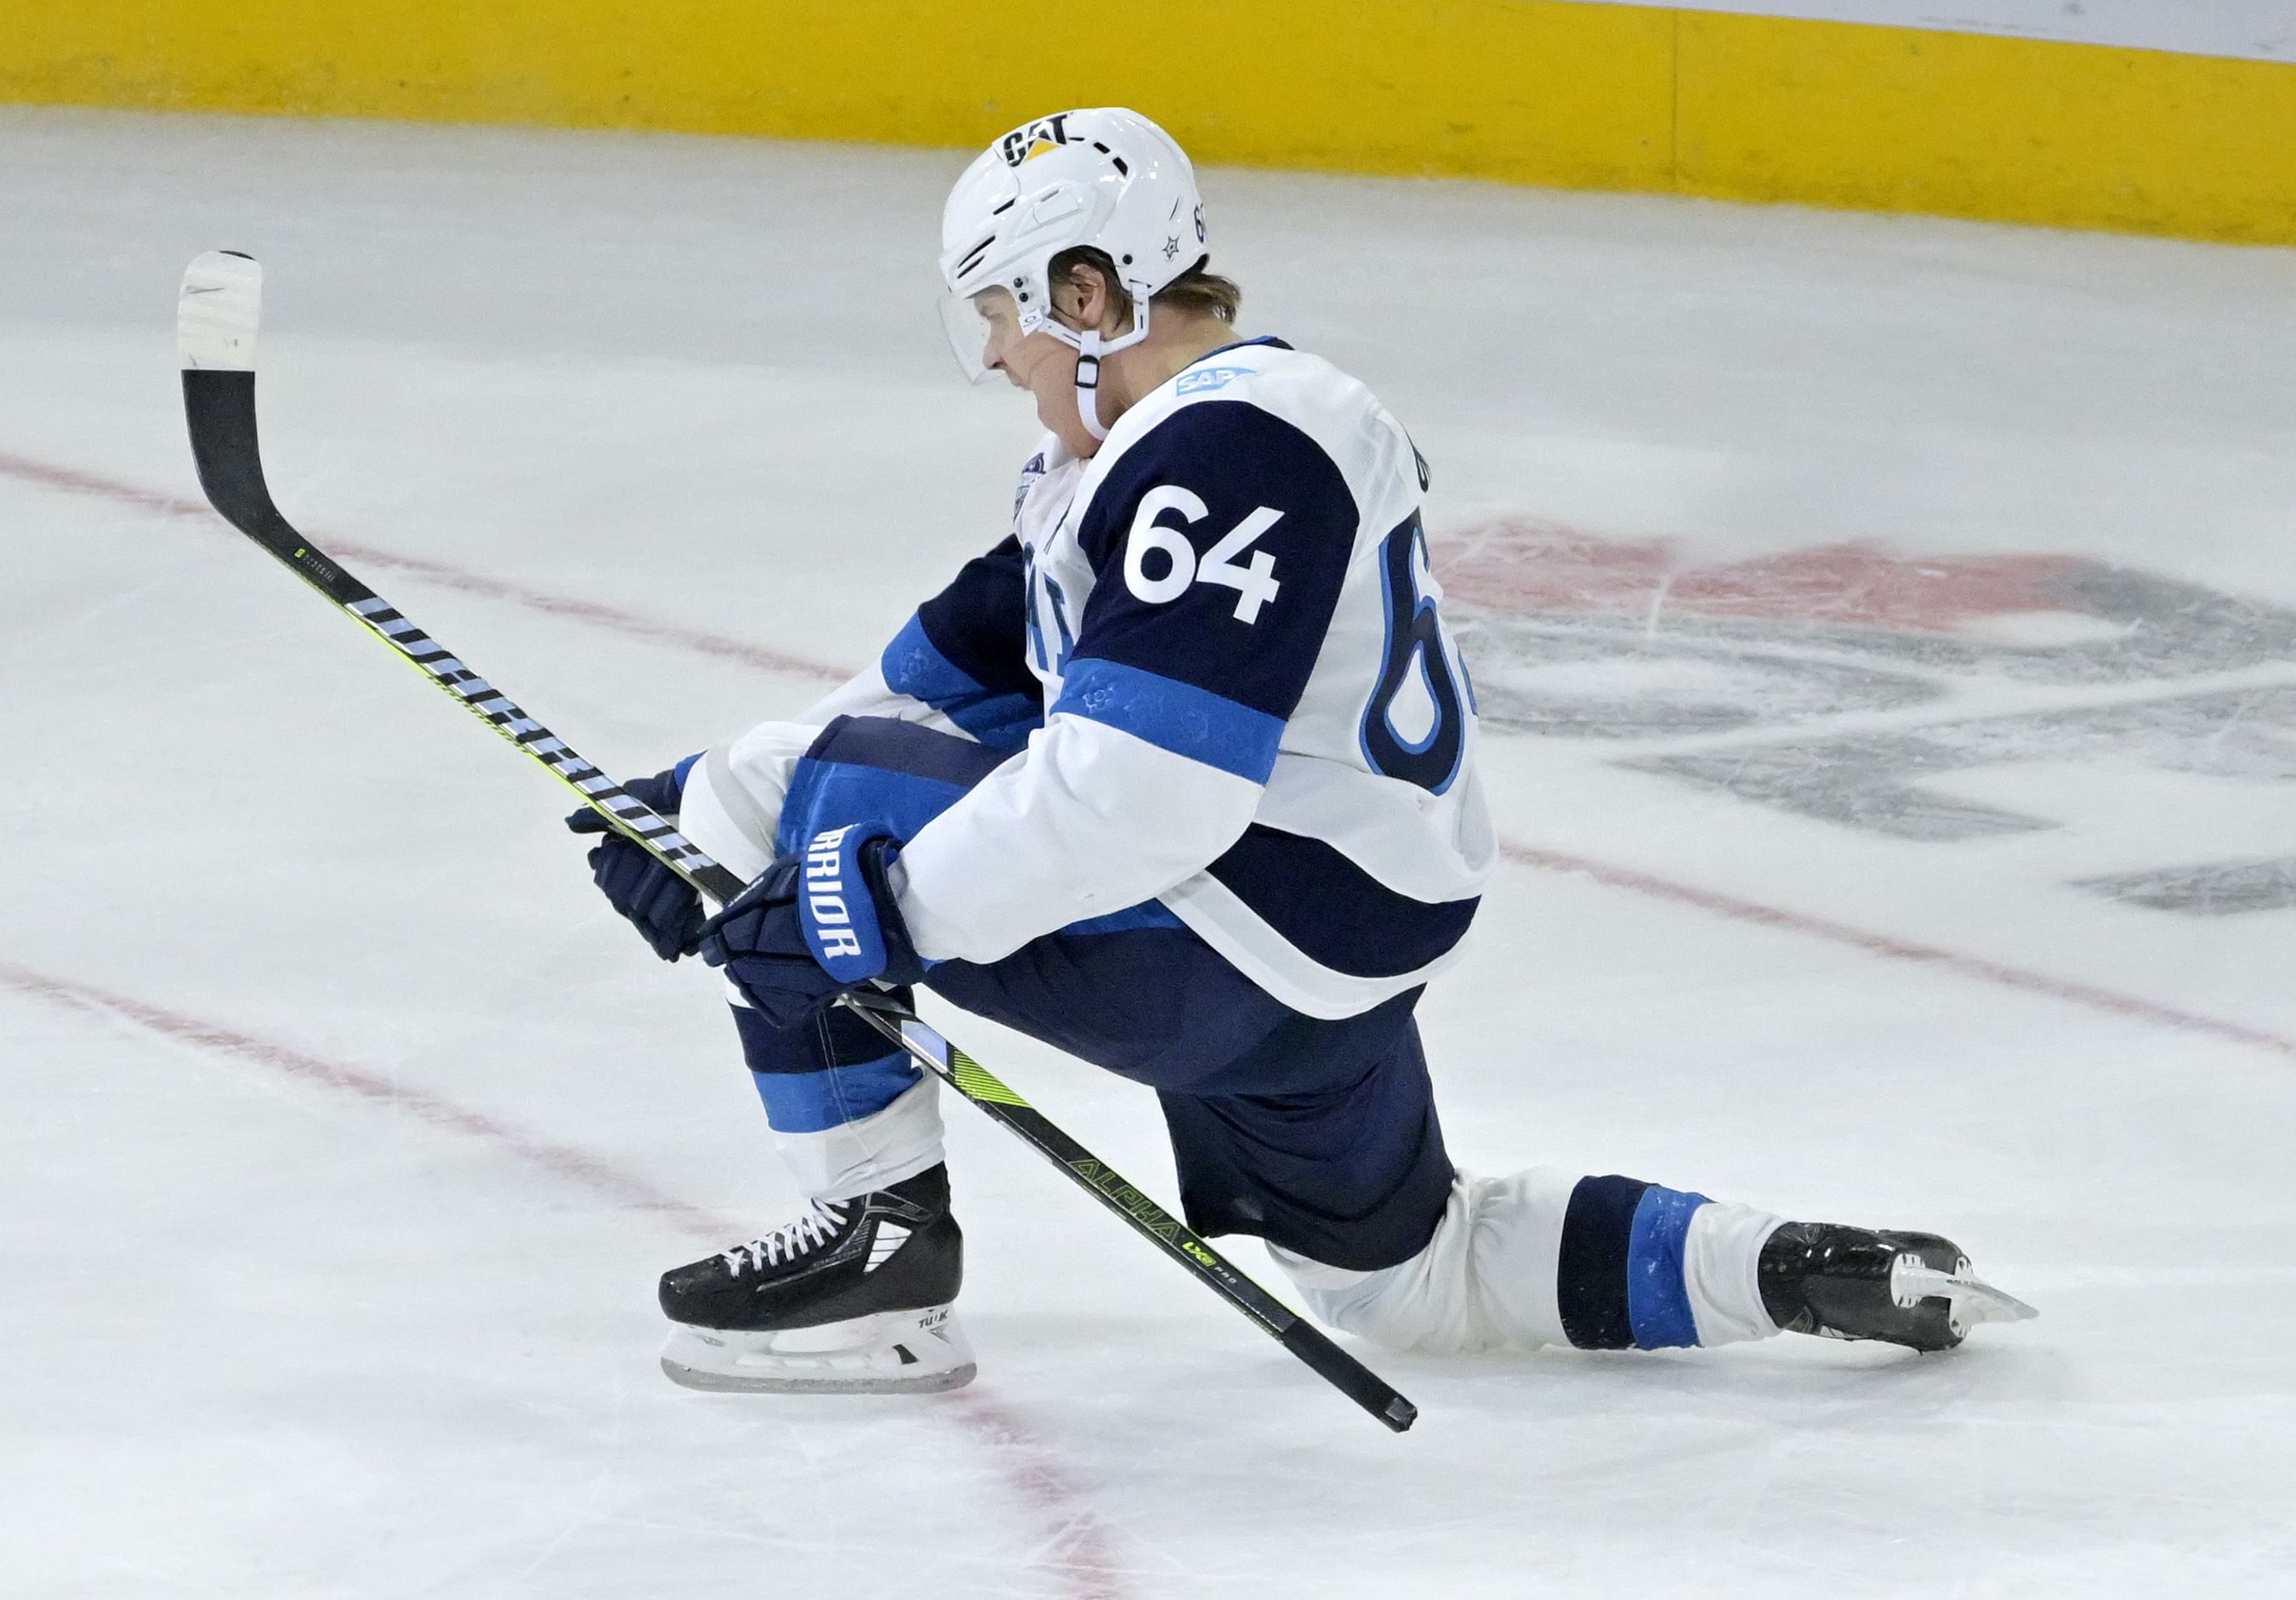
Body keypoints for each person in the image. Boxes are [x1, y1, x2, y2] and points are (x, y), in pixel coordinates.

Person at [569, 107, 2032, 1394]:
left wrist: (829, 889)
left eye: (1007, 316)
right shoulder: (1158, 461)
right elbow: (923, 689)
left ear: (1090, 291)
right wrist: (692, 812)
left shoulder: (1226, 449)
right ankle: (1798, 1267)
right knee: (1412, 1279)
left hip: (1234, 929)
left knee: (816, 823)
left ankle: (880, 1254)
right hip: (1324, 956)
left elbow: (1140, 794)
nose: (1003, 361)